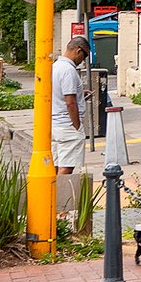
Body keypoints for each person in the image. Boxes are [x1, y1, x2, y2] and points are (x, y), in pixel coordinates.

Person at [49, 37, 89, 186]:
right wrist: (77, 125)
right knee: (66, 168)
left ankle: (51, 202)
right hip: (67, 126)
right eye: (84, 56)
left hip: (55, 124)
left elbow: (60, 94)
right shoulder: (69, 70)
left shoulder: (55, 66)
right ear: (78, 51)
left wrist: (80, 94)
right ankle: (61, 206)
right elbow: (70, 102)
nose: (83, 60)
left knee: (56, 165)